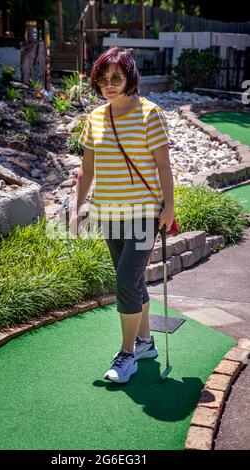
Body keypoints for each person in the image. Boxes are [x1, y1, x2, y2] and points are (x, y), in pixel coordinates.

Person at [70, 47, 174, 384]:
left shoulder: (150, 114)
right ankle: (145, 342)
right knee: (132, 279)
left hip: (144, 213)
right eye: (103, 79)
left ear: (130, 77)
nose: (109, 84)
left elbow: (163, 166)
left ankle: (127, 353)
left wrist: (169, 206)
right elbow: (86, 171)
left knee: (126, 279)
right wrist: (77, 208)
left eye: (116, 77)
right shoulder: (95, 119)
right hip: (108, 213)